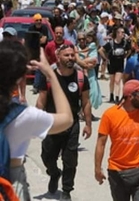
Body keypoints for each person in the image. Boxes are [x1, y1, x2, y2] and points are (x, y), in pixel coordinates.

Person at [1, 40, 73, 201]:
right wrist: (50, 74)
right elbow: (67, 119)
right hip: (10, 178)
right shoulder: (23, 115)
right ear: (20, 78)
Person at [36, 44, 92, 201]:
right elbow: (41, 101)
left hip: (71, 125)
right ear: (58, 57)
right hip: (51, 124)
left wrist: (88, 124)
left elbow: (86, 102)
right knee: (47, 157)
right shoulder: (49, 78)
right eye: (66, 55)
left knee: (70, 161)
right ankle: (54, 173)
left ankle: (67, 189)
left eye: (72, 55)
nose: (70, 58)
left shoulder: (81, 79)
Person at [94, 80, 139, 201]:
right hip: (117, 172)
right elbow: (101, 144)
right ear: (130, 96)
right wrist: (97, 169)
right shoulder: (110, 115)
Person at [98, 27, 131, 103]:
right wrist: (105, 58)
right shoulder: (111, 43)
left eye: (123, 32)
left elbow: (129, 50)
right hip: (112, 64)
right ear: (117, 33)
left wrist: (125, 57)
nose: (123, 34)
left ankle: (117, 97)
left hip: (120, 64)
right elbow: (100, 50)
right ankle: (111, 95)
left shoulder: (125, 43)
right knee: (112, 80)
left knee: (117, 81)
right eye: (121, 32)